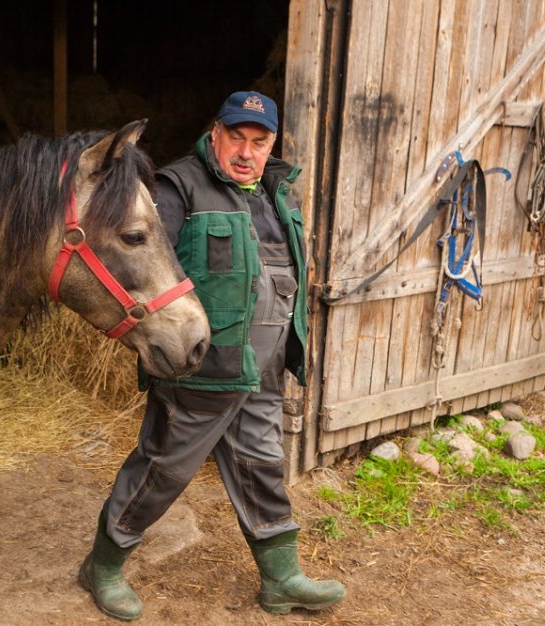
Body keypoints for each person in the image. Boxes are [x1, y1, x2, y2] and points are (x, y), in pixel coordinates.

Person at [78, 91, 346, 620]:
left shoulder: (276, 192)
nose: (246, 152)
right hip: (200, 370)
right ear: (215, 133)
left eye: (259, 141)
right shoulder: (178, 189)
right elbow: (146, 272)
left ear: (271, 145)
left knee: (263, 467)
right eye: (237, 137)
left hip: (262, 369)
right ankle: (103, 566)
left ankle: (281, 578)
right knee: (162, 472)